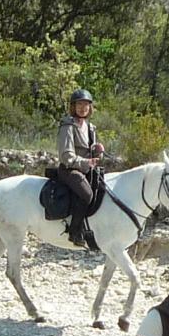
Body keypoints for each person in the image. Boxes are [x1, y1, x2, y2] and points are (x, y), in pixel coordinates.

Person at [56, 88, 105, 248]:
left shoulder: (90, 127)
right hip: (70, 169)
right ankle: (75, 231)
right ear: (73, 106)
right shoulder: (68, 125)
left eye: (86, 104)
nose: (83, 108)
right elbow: (66, 155)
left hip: (85, 168)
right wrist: (86, 162)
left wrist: (98, 151)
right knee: (86, 193)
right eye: (79, 104)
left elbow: (92, 154)